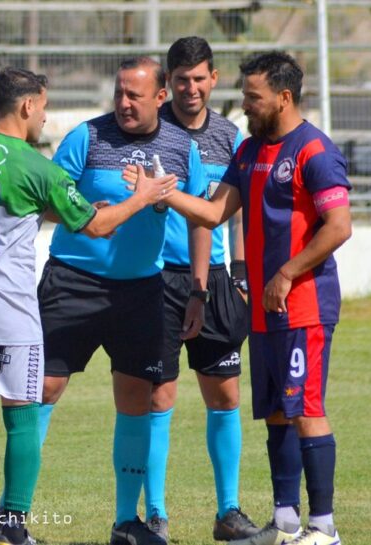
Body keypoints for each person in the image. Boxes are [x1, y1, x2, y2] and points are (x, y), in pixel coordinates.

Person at [0, 66, 176, 545]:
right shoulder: (37, 167)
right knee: (22, 415)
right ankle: (11, 526)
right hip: (7, 310)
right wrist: (144, 195)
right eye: (43, 108)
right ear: (27, 106)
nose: (45, 118)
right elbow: (97, 225)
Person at [126, 51, 351, 545]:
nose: (245, 104)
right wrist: (158, 193)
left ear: (283, 98)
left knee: (306, 407)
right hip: (269, 309)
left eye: (254, 96)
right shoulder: (249, 150)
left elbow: (339, 227)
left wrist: (287, 272)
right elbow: (210, 213)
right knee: (275, 409)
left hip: (305, 305)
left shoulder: (315, 150)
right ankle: (286, 518)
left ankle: (324, 527)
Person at [0, 57, 205, 545]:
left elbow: (199, 219)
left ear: (161, 97)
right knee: (41, 388)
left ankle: (126, 521)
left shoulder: (180, 147)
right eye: (119, 92)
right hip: (73, 283)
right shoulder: (86, 137)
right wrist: (94, 210)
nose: (124, 103)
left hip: (143, 290)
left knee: (135, 398)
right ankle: (10, 518)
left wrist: (197, 287)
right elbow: (45, 200)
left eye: (135, 95)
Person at [145, 36, 258, 542]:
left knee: (225, 394)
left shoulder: (232, 137)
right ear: (167, 82)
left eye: (199, 78)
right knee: (157, 395)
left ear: (214, 79)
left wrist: (239, 272)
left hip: (214, 282)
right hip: (156, 277)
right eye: (181, 79)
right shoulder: (150, 131)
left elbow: (238, 213)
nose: (190, 88)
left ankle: (228, 512)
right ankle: (155, 514)